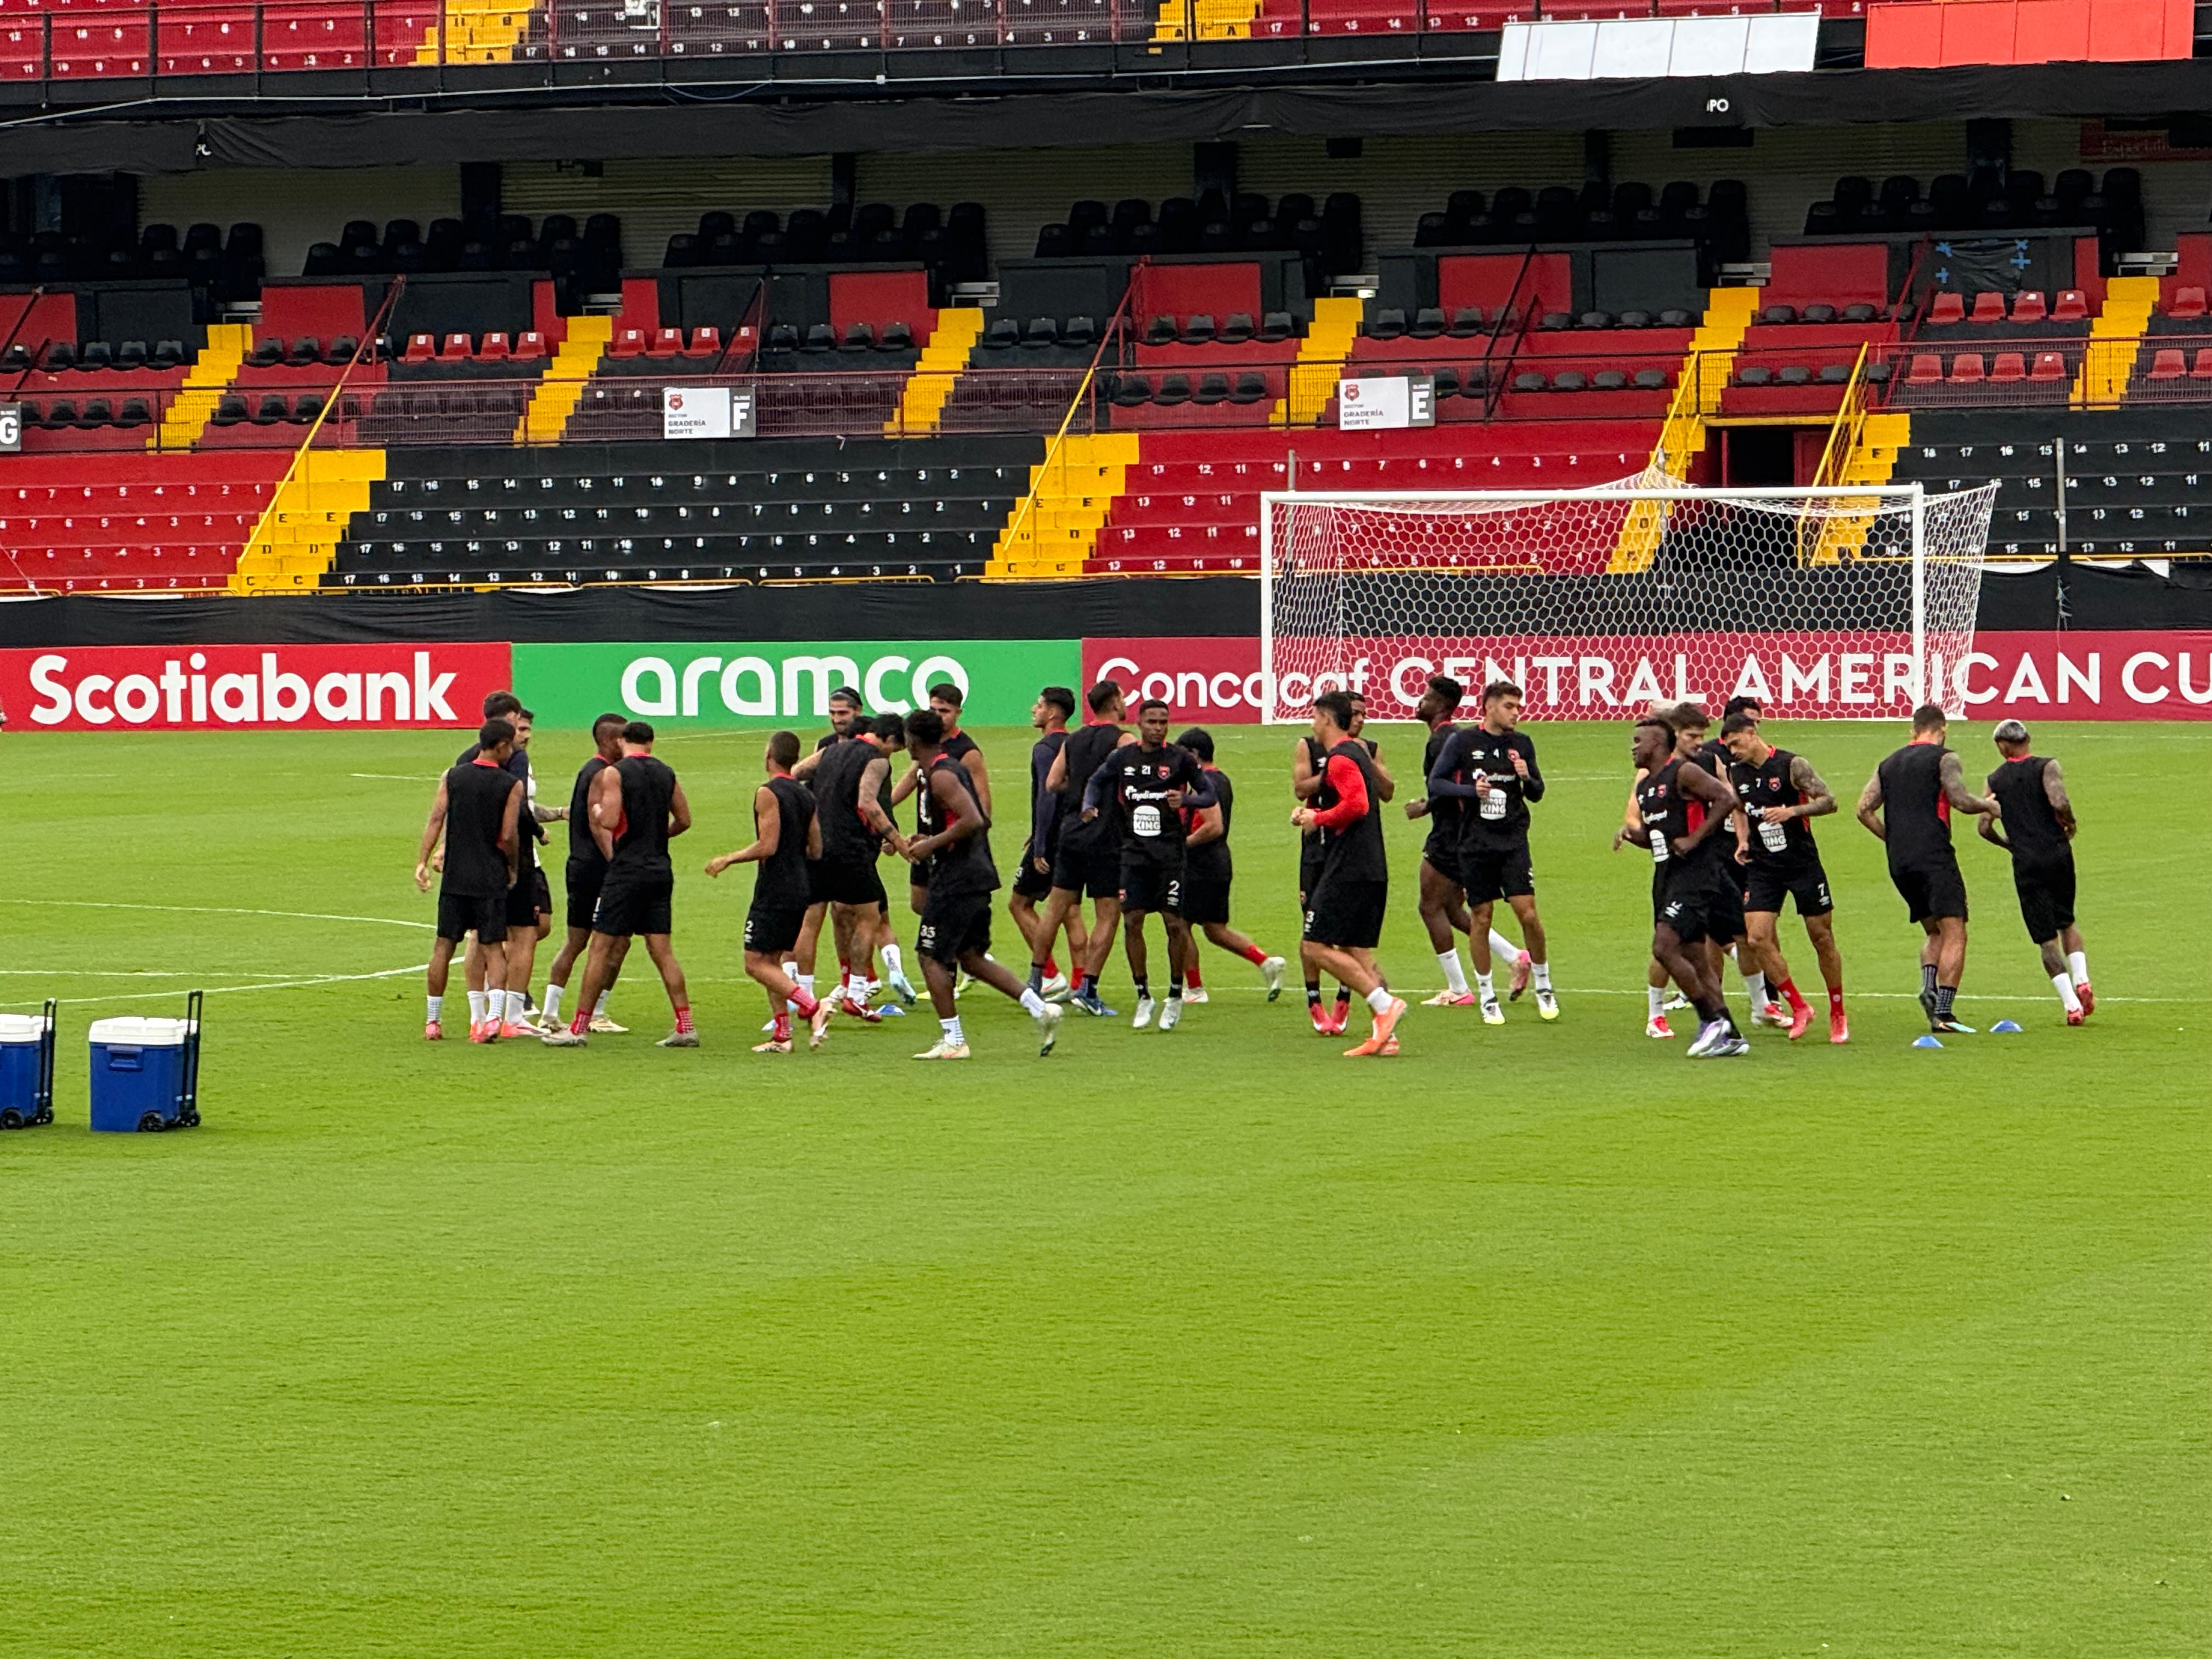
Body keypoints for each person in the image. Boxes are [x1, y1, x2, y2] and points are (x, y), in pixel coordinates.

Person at [902, 709, 1063, 1059]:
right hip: (973, 875)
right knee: (972, 958)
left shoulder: (942, 775)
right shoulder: (944, 769)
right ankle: (1041, 1009)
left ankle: (954, 1039)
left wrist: (931, 846)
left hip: (957, 879)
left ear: (911, 741)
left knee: (930, 956)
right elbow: (956, 821)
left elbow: (974, 820)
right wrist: (928, 838)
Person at [544, 721, 697, 1049]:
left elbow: (611, 820)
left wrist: (598, 810)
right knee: (663, 951)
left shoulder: (615, 773)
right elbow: (685, 820)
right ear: (651, 743)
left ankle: (579, 1027)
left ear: (624, 742)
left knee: (600, 948)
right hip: (660, 869)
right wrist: (657, 837)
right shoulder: (666, 773)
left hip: (626, 871)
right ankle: (686, 1026)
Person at [1856, 703, 1997, 1036]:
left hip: (1900, 861)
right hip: (1934, 856)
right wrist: (1990, 805)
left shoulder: (1888, 763)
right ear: (1943, 728)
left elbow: (1863, 810)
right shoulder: (1944, 758)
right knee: (1955, 930)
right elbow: (1960, 800)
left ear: (1914, 730)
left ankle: (1928, 986)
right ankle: (1944, 1012)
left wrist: (1894, 840)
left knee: (1934, 931)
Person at [1424, 679, 1557, 1024]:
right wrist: (1471, 791)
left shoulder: (1522, 744)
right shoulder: (1462, 742)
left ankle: (1544, 986)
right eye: (1509, 706)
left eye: (1518, 707)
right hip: (1475, 843)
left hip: (1512, 841)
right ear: (1489, 707)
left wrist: (1527, 777)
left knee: (1528, 914)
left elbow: (1537, 793)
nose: (1516, 713)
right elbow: (1437, 783)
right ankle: (1487, 996)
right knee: (1481, 917)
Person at [1082, 698, 1216, 1030]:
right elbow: (1096, 781)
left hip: (1170, 854)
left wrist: (1186, 799)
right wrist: (1089, 805)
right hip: (1134, 853)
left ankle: (1175, 994)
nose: (1158, 728)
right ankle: (1143, 995)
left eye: (1163, 722)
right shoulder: (1123, 757)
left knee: (1174, 924)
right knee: (1132, 921)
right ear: (1140, 724)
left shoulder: (1181, 759)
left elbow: (1209, 794)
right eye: (1152, 722)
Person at [1290, 690, 1407, 1058]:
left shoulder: (1341, 757)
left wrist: (1318, 818)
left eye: (1315, 717)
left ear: (1327, 718)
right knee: (1358, 952)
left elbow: (1357, 805)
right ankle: (1386, 1037)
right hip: (1369, 865)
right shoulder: (1357, 753)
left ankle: (1384, 1004)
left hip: (1349, 868)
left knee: (1314, 945)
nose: (1312, 724)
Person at [1626, 713, 1748, 1058]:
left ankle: (1711, 1020)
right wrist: (1633, 836)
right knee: (1696, 957)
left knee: (1664, 948)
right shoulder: (1645, 788)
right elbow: (1660, 838)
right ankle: (1731, 1035)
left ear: (1658, 743)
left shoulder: (1683, 772)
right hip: (1667, 877)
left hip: (1695, 876)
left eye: (1639, 741)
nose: (1633, 748)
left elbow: (1726, 799)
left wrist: (1695, 838)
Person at [1720, 711, 1847, 1043]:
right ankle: (1799, 1007)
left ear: (1752, 733)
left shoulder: (1792, 765)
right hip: (1763, 867)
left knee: (1821, 937)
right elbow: (1739, 808)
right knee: (1757, 938)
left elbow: (1829, 802)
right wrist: (1743, 840)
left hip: (1802, 865)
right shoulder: (1737, 772)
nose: (1733, 751)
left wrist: (1792, 811)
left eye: (1736, 743)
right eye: (1728, 746)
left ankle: (1838, 1012)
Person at [706, 731, 836, 1054]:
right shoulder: (806, 795)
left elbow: (768, 846)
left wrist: (728, 858)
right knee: (771, 962)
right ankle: (782, 1035)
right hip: (801, 885)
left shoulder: (768, 793)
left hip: (776, 887)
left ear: (769, 756)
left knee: (754, 963)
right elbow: (817, 848)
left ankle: (812, 1006)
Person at [1978, 719, 2095, 1025]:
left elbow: (1984, 827)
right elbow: (2059, 800)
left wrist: (2009, 844)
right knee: (2067, 921)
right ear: (2028, 739)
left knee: (2046, 940)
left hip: (2026, 862)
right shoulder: (2047, 767)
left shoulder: (1995, 780)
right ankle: (2082, 980)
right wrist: (2070, 823)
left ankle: (2071, 1006)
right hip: (2057, 853)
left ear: (2002, 746)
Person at [1032, 680, 1137, 1017]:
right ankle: (1088, 989)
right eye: (1123, 698)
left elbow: (1053, 783)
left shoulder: (1073, 739)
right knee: (1108, 913)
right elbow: (1135, 783)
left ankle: (1034, 982)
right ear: (1115, 702)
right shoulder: (1123, 740)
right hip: (1106, 835)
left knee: (1055, 909)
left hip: (1071, 832)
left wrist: (1078, 786)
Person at [415, 718, 523, 1043]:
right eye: (511, 745)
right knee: (493, 948)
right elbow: (508, 835)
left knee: (443, 947)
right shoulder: (510, 785)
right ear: (501, 746)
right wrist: (512, 867)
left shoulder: (453, 777)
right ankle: (493, 1020)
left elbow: (436, 818)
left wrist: (422, 861)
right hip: (489, 876)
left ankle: (433, 1022)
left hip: (456, 877)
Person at [799, 708, 910, 1023]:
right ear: (888, 739)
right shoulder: (877, 760)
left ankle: (804, 999)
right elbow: (867, 803)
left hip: (816, 848)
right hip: (850, 850)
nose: (892, 754)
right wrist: (897, 840)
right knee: (869, 916)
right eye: (895, 748)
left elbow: (795, 772)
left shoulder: (830, 751)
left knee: (810, 922)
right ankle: (857, 995)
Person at [1171, 727, 1285, 1004]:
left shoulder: (1204, 782)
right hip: (1219, 861)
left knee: (1179, 924)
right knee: (1215, 930)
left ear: (1194, 754)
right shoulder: (1221, 779)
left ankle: (1194, 989)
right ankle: (1266, 963)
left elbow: (1213, 826)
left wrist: (1184, 845)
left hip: (1200, 863)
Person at [541, 713, 630, 1036]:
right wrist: (615, 862)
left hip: (582, 867)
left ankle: (552, 1013)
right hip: (597, 870)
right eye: (622, 739)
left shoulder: (591, 770)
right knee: (614, 941)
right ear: (608, 741)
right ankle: (595, 1013)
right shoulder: (603, 773)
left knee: (580, 942)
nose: (627, 745)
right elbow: (597, 825)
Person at [781, 686, 869, 1011]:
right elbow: (805, 785)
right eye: (832, 713)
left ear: (858, 712)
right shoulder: (827, 746)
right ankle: (824, 992)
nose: (836, 719)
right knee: (824, 915)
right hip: (828, 843)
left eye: (843, 713)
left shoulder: (866, 749)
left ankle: (851, 985)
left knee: (849, 914)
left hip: (852, 842)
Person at [1009, 686, 1085, 1002]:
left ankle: (1050, 975)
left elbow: (1047, 797)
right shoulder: (1076, 744)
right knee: (1071, 910)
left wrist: (1040, 843)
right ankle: (1081, 984)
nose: (1034, 709)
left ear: (1053, 713)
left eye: (1039, 705)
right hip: (1075, 835)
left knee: (1019, 904)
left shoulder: (1044, 749)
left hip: (1051, 839)